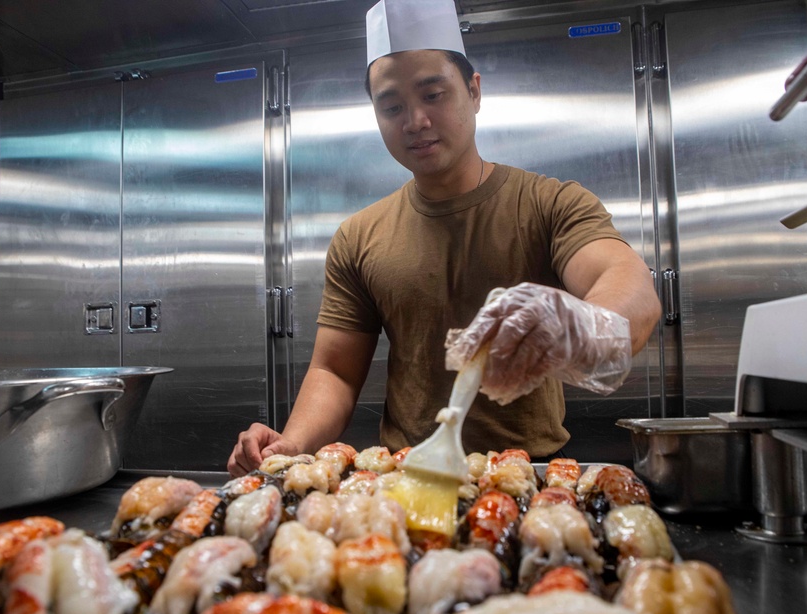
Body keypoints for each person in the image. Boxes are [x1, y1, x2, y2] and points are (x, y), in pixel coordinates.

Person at [228, 0, 660, 477]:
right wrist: (293, 443)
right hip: (404, 476)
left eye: (433, 94)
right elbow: (335, 370)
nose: (414, 120)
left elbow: (628, 284)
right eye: (392, 106)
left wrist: (577, 326)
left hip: (530, 477)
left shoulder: (549, 203)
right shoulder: (359, 237)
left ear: (474, 91)